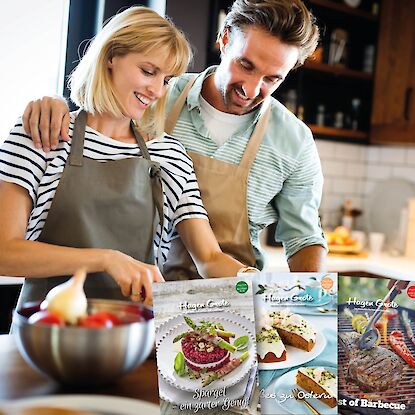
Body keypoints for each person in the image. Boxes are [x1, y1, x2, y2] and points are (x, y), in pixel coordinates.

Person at [21, 0, 328, 280]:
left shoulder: (294, 141)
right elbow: (98, 122)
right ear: (223, 40)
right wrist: (55, 107)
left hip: (231, 299)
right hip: (141, 293)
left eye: (272, 79)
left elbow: (303, 239)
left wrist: (306, 306)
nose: (250, 88)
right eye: (245, 65)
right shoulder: (154, 96)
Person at [0, 6, 249, 310]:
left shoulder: (170, 156)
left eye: (167, 80)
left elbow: (209, 259)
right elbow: (4, 253)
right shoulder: (43, 134)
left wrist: (265, 288)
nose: (157, 91)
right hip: (47, 336)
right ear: (110, 57)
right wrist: (105, 259)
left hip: (133, 337)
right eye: (148, 71)